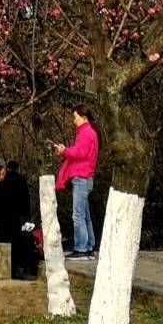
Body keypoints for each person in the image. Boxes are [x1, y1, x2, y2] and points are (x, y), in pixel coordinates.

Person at [0, 157, 38, 281]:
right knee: (22, 236)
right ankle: (19, 269)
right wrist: (18, 226)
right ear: (2, 171)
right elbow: (3, 215)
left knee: (18, 233)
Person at [53, 107, 99, 259]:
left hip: (81, 177)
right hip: (86, 177)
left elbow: (80, 152)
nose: (74, 121)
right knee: (84, 215)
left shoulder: (85, 133)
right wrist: (65, 151)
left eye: (75, 117)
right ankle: (89, 246)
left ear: (84, 117)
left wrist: (64, 151)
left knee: (78, 215)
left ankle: (81, 249)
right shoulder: (90, 132)